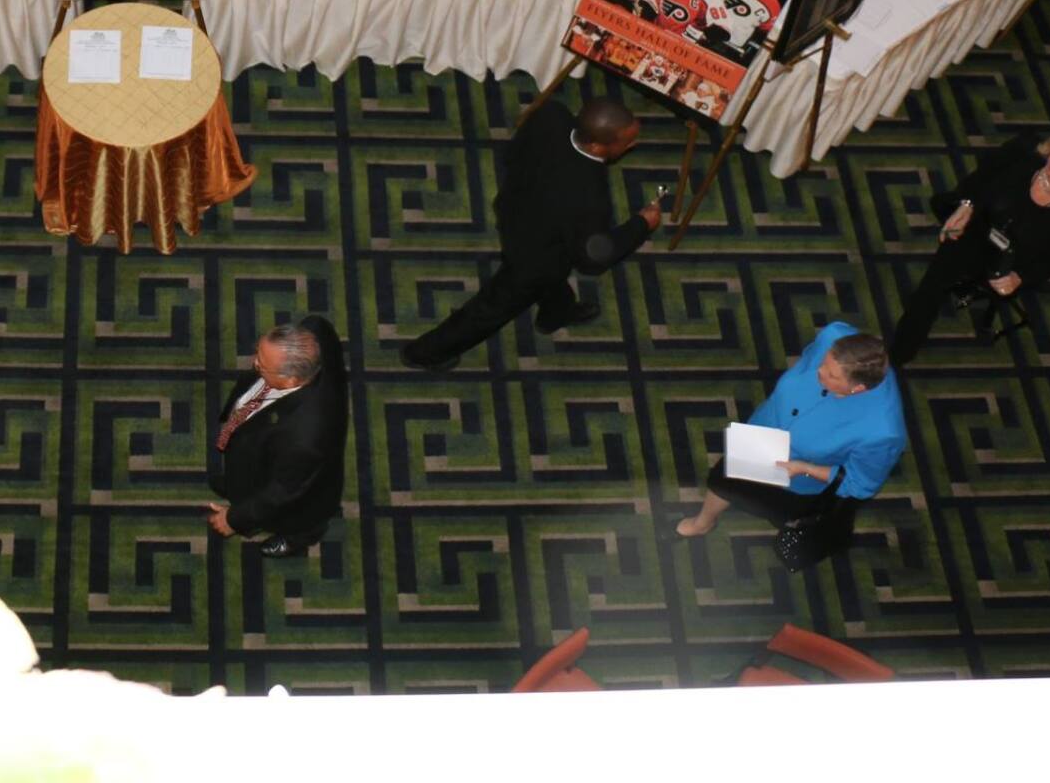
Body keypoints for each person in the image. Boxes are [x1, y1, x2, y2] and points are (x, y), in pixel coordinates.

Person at [401, 97, 660, 372]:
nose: (633, 146)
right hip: (534, 257)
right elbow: (591, 258)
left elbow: (512, 156)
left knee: (554, 276)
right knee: (494, 305)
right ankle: (424, 352)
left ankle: (555, 313)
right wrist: (642, 224)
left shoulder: (552, 114)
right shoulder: (588, 197)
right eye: (628, 142)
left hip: (513, 211)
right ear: (598, 145)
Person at [890, 129, 1050, 363]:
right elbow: (981, 177)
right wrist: (967, 205)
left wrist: (1020, 277)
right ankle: (897, 356)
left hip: (1014, 260)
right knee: (930, 289)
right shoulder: (1025, 150)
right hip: (976, 230)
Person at [677, 323, 904, 540]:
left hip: (797, 483)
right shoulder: (834, 335)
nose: (820, 371)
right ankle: (703, 523)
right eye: (824, 362)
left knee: (784, 516)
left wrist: (806, 469)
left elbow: (861, 483)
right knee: (723, 479)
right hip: (758, 437)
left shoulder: (882, 431)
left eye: (832, 375)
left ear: (858, 388)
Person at [206, 317, 347, 558]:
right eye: (258, 353)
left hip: (300, 492)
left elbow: (281, 492)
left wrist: (234, 519)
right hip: (275, 454)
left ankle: (299, 538)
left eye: (262, 363)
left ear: (291, 379)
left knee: (299, 517)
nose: (254, 363)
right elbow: (318, 323)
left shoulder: (305, 438)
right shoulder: (314, 331)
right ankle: (237, 484)